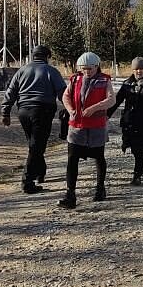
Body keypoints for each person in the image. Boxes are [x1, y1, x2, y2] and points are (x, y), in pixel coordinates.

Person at [1, 45, 66, 194]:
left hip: (23, 111)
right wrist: (70, 109)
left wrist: (5, 112)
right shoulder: (51, 71)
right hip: (43, 111)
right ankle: (27, 181)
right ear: (47, 57)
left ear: (33, 56)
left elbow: (10, 91)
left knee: (35, 143)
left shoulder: (22, 70)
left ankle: (40, 172)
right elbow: (63, 92)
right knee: (36, 145)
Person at [57, 52, 115, 209]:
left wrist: (94, 108)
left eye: (90, 69)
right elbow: (65, 96)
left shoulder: (104, 80)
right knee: (72, 160)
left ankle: (100, 188)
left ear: (97, 66)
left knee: (98, 157)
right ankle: (70, 195)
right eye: (84, 69)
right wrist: (70, 109)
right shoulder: (75, 79)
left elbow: (111, 99)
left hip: (96, 127)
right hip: (76, 127)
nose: (87, 72)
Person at [107, 57, 143, 185]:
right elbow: (117, 100)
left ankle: (137, 174)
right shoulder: (127, 84)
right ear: (133, 70)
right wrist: (106, 115)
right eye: (136, 69)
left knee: (140, 148)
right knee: (133, 147)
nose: (139, 71)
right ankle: (141, 167)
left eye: (142, 69)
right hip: (130, 121)